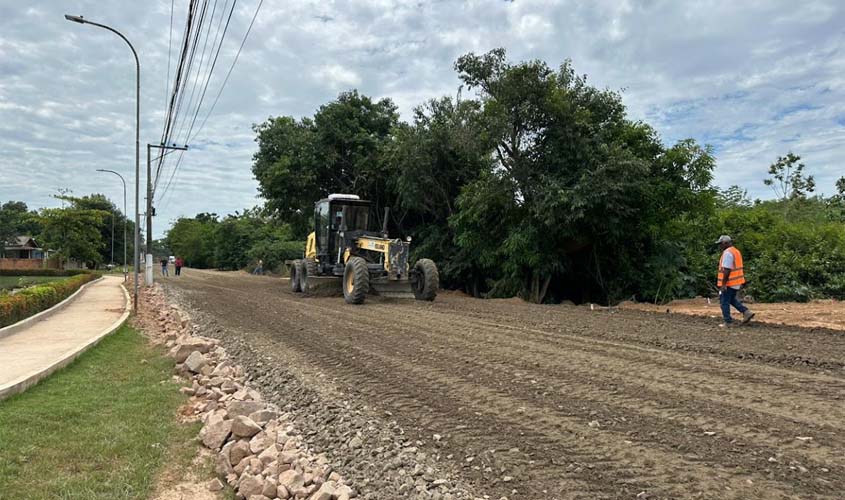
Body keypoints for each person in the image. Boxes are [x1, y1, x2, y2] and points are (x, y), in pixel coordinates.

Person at [716, 235, 754, 327]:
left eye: (720, 244)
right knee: (731, 299)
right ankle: (746, 311)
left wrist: (723, 284)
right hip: (736, 282)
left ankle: (728, 322)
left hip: (729, 282)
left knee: (724, 301)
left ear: (725, 243)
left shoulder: (728, 253)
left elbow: (727, 269)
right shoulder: (736, 251)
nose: (720, 246)